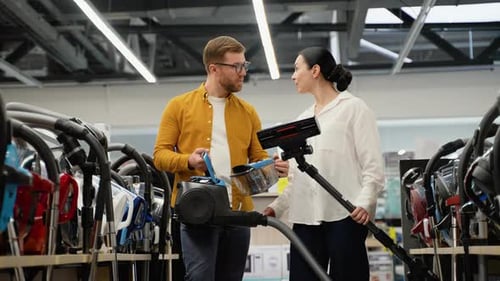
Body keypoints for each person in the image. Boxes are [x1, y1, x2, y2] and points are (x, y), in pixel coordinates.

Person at [153, 35, 289, 281]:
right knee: (200, 277)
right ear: (213, 68)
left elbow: (258, 156)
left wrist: (273, 166)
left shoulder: (248, 112)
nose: (242, 72)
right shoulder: (178, 106)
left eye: (244, 65)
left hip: (237, 212)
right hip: (198, 210)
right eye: (236, 66)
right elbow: (159, 156)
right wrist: (187, 161)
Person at [263, 46, 385, 281]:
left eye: (297, 68)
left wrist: (365, 202)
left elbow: (373, 167)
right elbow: (300, 178)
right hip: (306, 218)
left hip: (345, 216)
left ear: (315, 70)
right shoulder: (302, 121)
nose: (293, 75)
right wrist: (276, 207)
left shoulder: (353, 109)